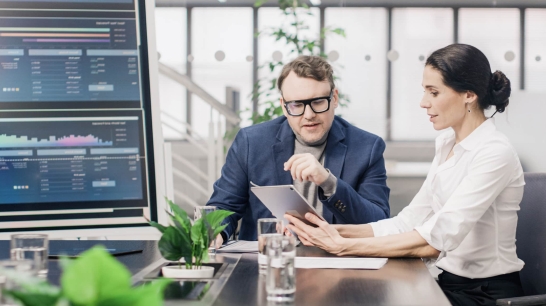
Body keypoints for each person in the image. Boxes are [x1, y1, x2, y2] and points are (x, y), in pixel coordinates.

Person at [285, 44, 525, 306]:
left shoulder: (494, 152)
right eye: (425, 91)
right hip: (446, 284)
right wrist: (330, 231)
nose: (424, 103)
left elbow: (436, 239)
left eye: (433, 92)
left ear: (468, 94)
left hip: (486, 295)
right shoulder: (447, 144)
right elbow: (407, 222)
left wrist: (341, 246)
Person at [206, 55, 390, 244]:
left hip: (338, 264)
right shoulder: (251, 142)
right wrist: (214, 235)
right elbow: (222, 206)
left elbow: (379, 223)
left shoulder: (367, 147)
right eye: (296, 105)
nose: (309, 115)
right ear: (284, 107)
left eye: (318, 102)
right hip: (268, 262)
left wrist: (328, 183)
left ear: (334, 98)